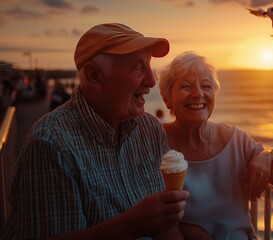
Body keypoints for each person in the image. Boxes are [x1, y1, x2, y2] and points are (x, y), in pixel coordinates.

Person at [0, 23, 189, 240]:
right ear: (94, 75)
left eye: (149, 66)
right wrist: (129, 226)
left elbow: (166, 227)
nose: (151, 80)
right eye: (138, 67)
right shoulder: (50, 145)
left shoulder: (150, 129)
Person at [158, 51, 273, 240]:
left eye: (206, 86)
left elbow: (266, 155)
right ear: (167, 99)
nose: (198, 94)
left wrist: (267, 156)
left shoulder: (236, 140)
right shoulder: (153, 141)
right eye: (186, 86)